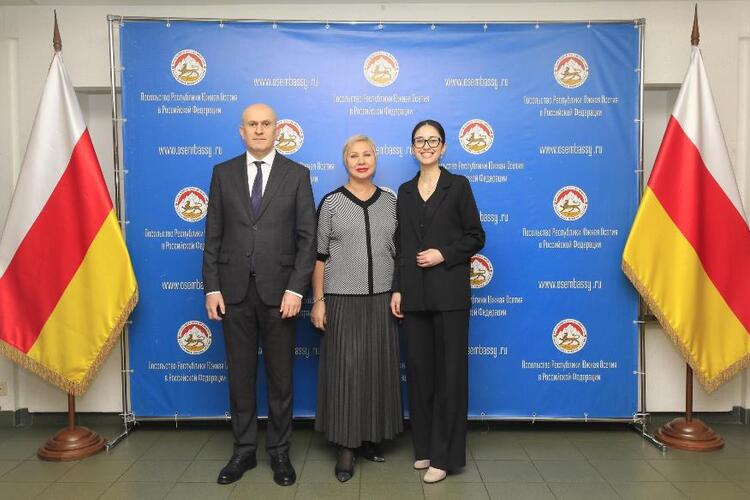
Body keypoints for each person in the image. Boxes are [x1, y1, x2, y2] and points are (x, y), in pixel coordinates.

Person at [203, 103, 316, 487]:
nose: (259, 129)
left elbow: (307, 239)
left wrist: (296, 289)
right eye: (252, 124)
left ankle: (279, 452)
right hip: (233, 293)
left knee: (281, 379)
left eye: (266, 124)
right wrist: (212, 287)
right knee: (240, 377)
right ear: (242, 131)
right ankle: (244, 451)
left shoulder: (297, 174)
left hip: (281, 294)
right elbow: (213, 236)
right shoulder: (222, 173)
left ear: (277, 130)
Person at [390, 119, 485, 484]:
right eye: (420, 140)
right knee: (419, 373)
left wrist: (443, 254)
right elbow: (400, 246)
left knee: (449, 376)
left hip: (449, 297)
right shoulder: (405, 191)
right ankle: (425, 447)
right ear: (412, 148)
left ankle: (445, 457)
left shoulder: (458, 186)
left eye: (433, 140)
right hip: (414, 296)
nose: (426, 146)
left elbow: (476, 236)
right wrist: (398, 288)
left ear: (443, 147)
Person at [311, 135, 403, 482]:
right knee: (346, 371)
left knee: (377, 369)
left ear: (376, 159)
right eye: (354, 155)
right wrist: (319, 300)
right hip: (341, 298)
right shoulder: (332, 202)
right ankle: (346, 447)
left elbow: (401, 251)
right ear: (345, 161)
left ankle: (369, 438)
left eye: (367, 154)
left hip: (382, 298)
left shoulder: (391, 202)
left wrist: (399, 291)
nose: (361, 161)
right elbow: (319, 257)